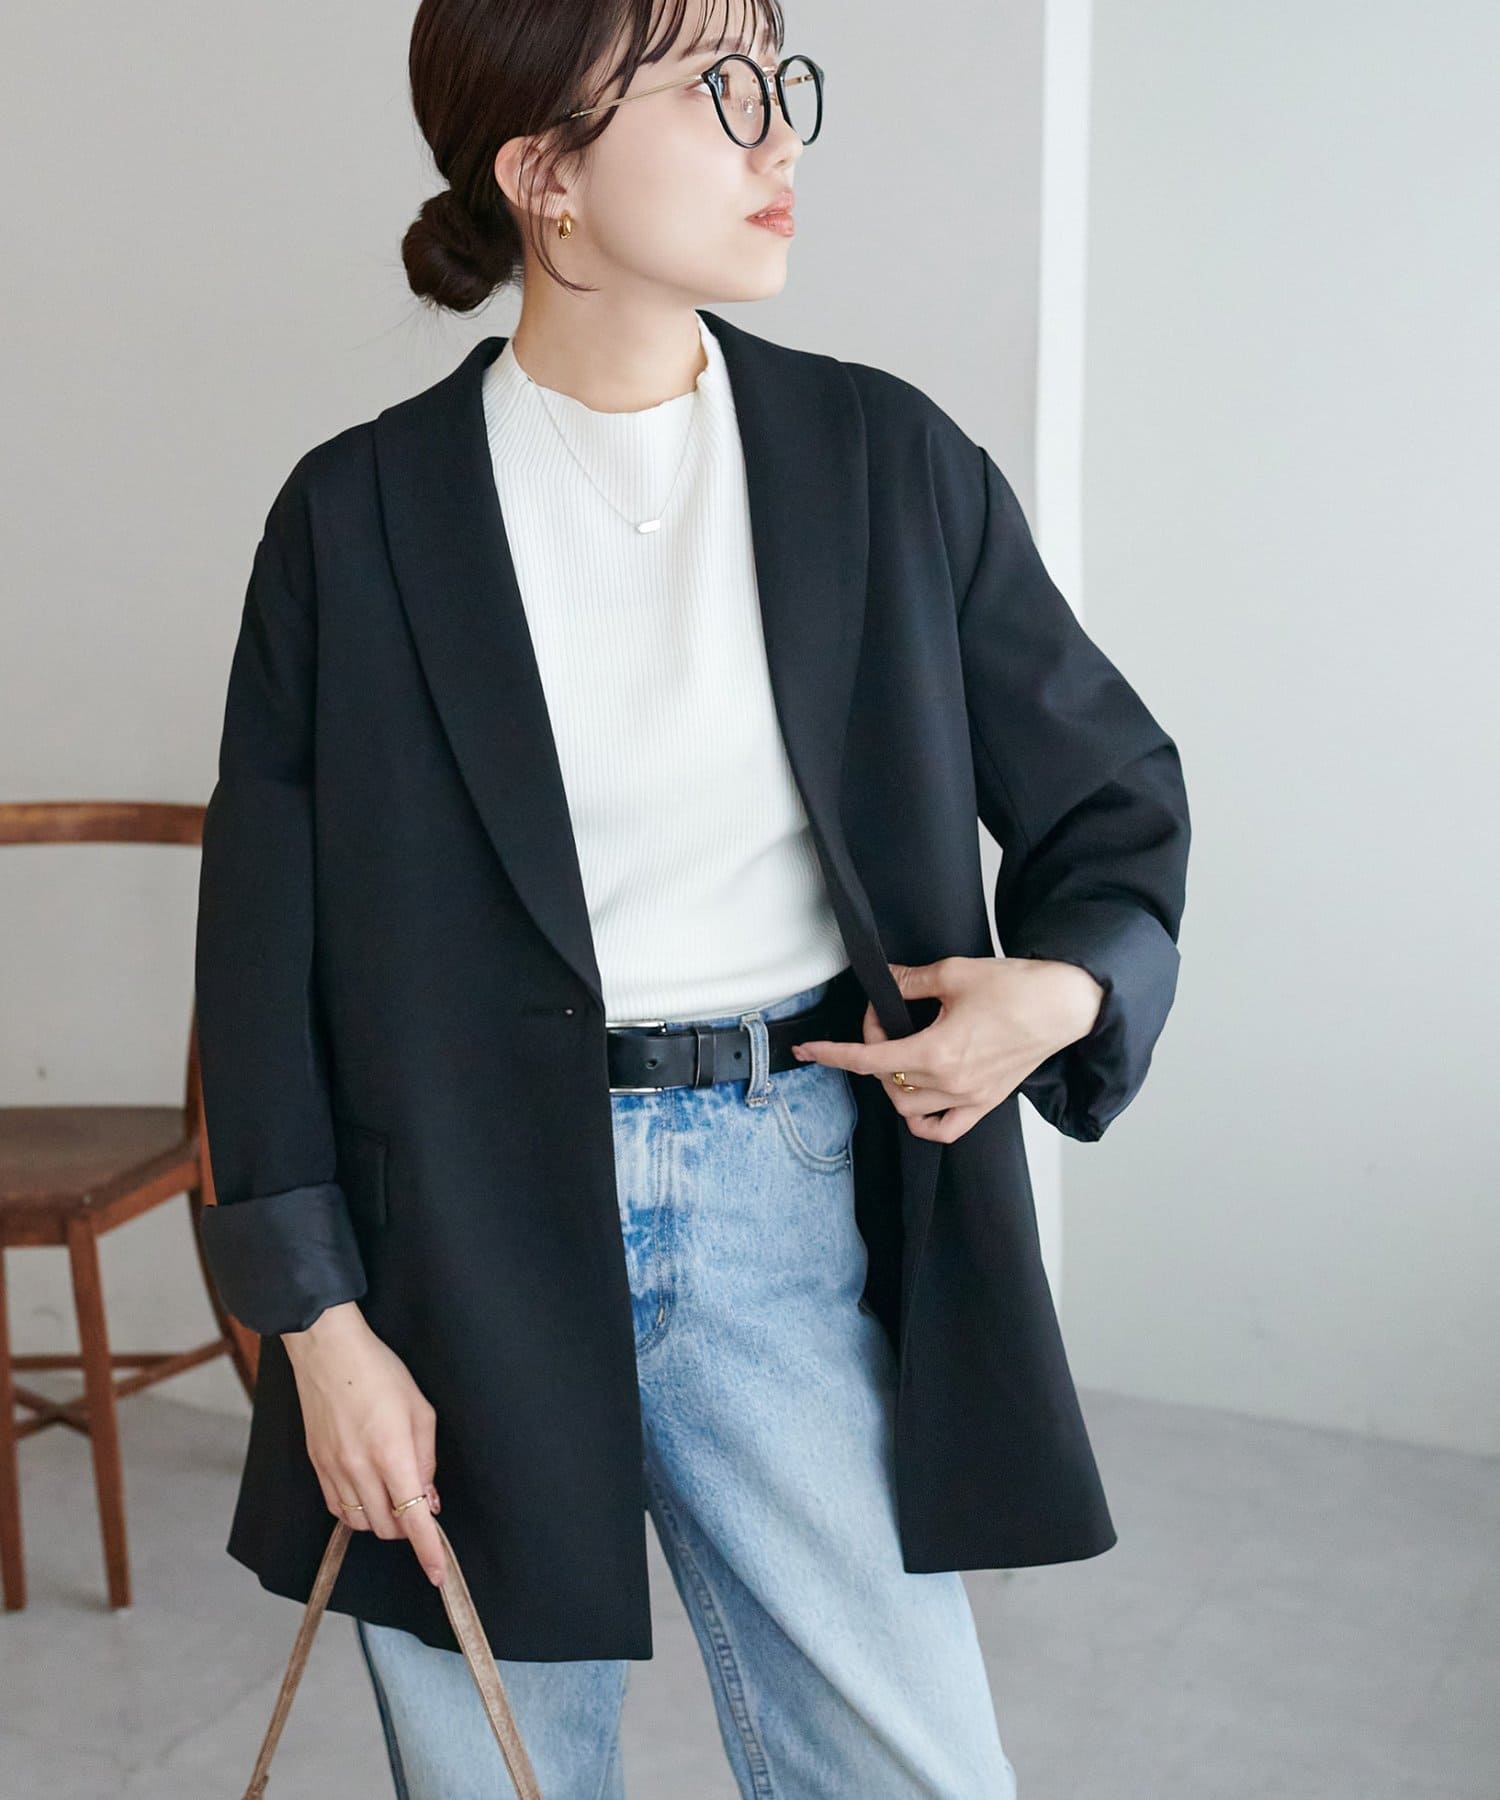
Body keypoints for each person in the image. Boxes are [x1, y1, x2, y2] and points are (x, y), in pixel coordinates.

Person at [194, 1, 1190, 1794]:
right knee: (503, 1774)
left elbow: (1112, 796)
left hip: (786, 1194)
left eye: (779, 78)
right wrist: (319, 1328)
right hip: (454, 1241)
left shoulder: (884, 462)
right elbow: (263, 967)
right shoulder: (357, 520)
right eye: (715, 89)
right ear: (546, 173)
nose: (776, 133)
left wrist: (1062, 994)